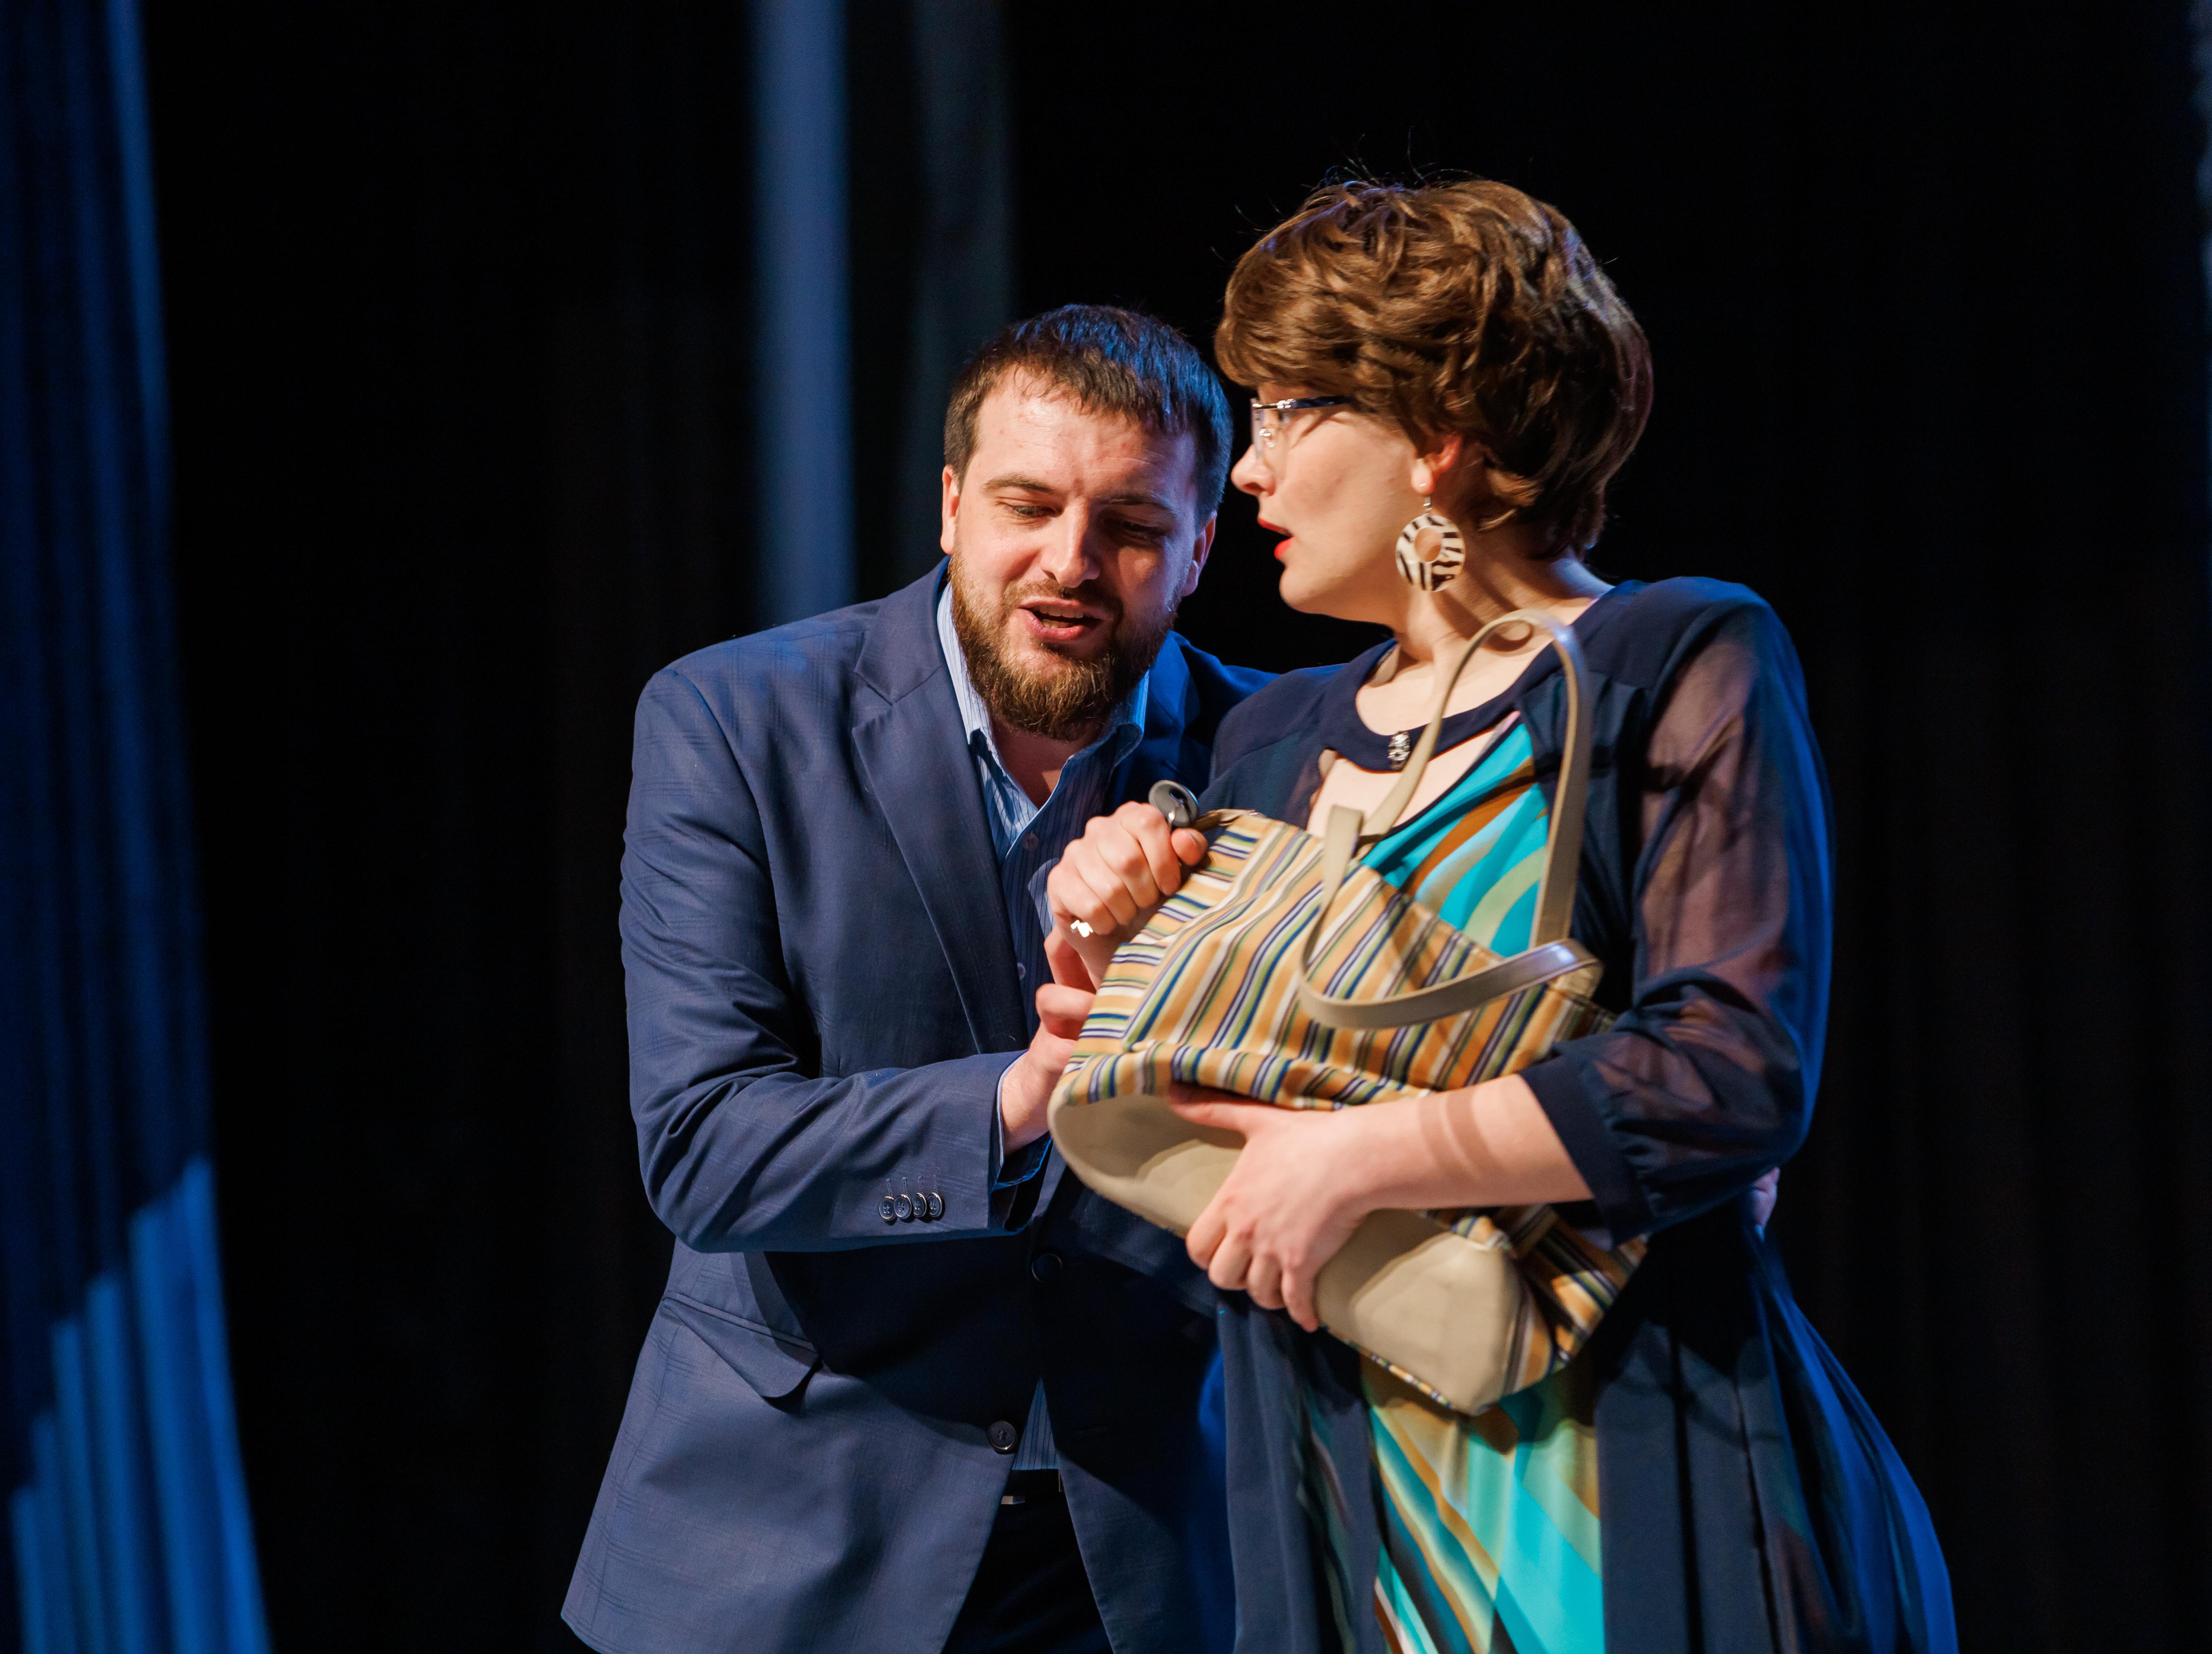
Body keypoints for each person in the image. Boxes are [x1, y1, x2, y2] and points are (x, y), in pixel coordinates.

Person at [1047, 182, 1952, 1652]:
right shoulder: (1271, 739)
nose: (1251, 469)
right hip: (1340, 1461)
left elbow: (1729, 1069)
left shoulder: (1668, 657)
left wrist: (1359, 1158)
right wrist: (1115, 952)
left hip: (1622, 1447)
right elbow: (1220, 1121)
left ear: (1435, 436)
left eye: (1286, 414)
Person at [563, 306, 1269, 1654]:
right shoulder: (732, 721)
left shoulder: (1272, 756)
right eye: (1028, 506)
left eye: (1131, 524)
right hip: (790, 1547)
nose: (1071, 562)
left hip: (1155, 1556)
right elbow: (705, 1152)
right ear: (951, 506)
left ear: (1198, 550)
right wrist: (1024, 1095)